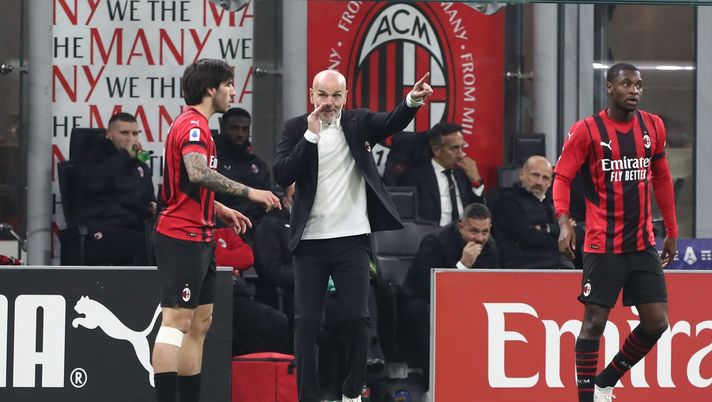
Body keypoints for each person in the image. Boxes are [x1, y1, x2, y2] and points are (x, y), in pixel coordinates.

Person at [273, 69, 433, 402]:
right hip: (309, 243)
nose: (328, 103)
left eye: (335, 96)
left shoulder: (359, 122)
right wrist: (311, 137)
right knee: (307, 323)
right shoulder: (295, 128)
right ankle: (308, 397)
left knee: (358, 319)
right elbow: (283, 173)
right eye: (322, 95)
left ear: (345, 97)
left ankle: (351, 394)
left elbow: (391, 122)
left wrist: (411, 102)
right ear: (311, 94)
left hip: (353, 239)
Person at [151, 59, 280, 402]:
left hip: (202, 234)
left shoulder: (196, 125)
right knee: (176, 322)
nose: (232, 92)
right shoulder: (194, 126)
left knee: (200, 323)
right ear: (211, 89)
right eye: (227, 85)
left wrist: (218, 208)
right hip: (181, 236)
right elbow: (196, 172)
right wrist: (250, 192)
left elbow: (187, 184)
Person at [553, 63, 678, 402]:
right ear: (610, 88)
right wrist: (564, 222)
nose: (634, 90)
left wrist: (671, 229)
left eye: (639, 84)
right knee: (593, 323)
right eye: (626, 84)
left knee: (657, 323)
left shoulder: (653, 126)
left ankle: (605, 382)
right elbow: (562, 177)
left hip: (641, 243)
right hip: (602, 243)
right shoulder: (587, 130)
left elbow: (662, 179)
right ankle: (585, 397)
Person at [253, 186, 387, 398]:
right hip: (299, 293)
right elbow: (269, 269)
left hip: (334, 292)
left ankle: (366, 363)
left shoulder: (330, 225)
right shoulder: (273, 225)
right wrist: (314, 278)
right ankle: (366, 363)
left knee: (365, 291)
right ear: (288, 197)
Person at [401, 203, 499, 391]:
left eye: (485, 232)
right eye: (474, 231)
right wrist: (462, 266)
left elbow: (493, 285)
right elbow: (428, 288)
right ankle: (434, 385)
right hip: (421, 301)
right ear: (461, 226)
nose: (480, 238)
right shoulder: (435, 242)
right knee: (430, 312)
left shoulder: (490, 246)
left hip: (464, 302)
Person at [74, 112, 155, 265]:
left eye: (135, 133)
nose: (131, 138)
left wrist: (151, 207)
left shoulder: (141, 167)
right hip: (102, 227)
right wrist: (125, 156)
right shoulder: (93, 157)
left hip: (134, 228)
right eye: (124, 133)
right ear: (109, 135)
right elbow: (93, 184)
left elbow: (148, 199)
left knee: (160, 244)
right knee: (142, 245)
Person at [493, 155, 575, 269]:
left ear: (550, 182)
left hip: (557, 263)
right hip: (523, 266)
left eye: (545, 178)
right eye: (535, 175)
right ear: (522, 174)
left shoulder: (556, 203)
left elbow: (575, 232)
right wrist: (561, 238)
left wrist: (547, 228)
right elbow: (528, 237)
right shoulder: (507, 202)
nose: (539, 182)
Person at [400, 122, 485, 225]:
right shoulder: (415, 176)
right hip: (434, 235)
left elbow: (480, 215)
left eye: (462, 147)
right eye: (455, 148)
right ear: (436, 150)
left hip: (464, 236)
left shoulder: (464, 173)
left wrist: (476, 181)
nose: (461, 154)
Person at [215, 107, 272, 238]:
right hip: (221, 228)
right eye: (234, 128)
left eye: (245, 129)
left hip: (255, 232)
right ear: (223, 128)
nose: (240, 134)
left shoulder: (257, 165)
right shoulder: (212, 159)